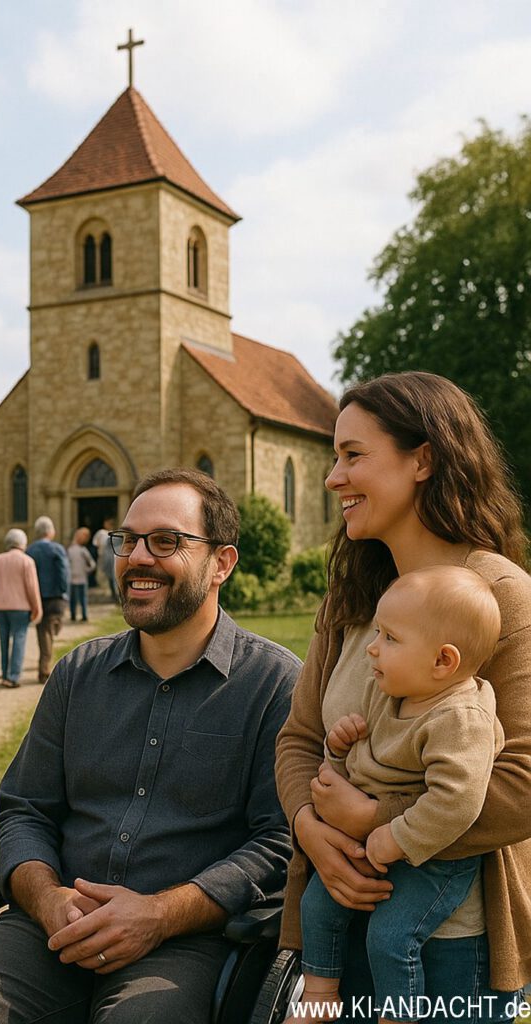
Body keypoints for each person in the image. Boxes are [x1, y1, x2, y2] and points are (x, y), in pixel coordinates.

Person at [0, 468, 300, 1023]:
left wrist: (160, 914)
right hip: (53, 928)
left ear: (222, 563)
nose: (138, 556)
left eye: (165, 541)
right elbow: (24, 809)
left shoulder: (273, 684)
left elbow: (277, 843)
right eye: (128, 540)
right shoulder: (79, 674)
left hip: (188, 941)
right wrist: (48, 900)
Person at [276, 371, 531, 1023]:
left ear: (423, 459)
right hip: (336, 934)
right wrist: (313, 828)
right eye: (335, 457)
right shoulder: (351, 595)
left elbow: (523, 783)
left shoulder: (499, 597)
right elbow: (299, 739)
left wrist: (372, 822)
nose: (334, 477)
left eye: (353, 455)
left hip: (450, 948)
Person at [292, 566, 504, 1024]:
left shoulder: (459, 717)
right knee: (318, 903)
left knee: (391, 938)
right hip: (381, 842)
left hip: (437, 855)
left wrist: (394, 837)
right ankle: (319, 998)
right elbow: (361, 757)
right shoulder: (389, 690)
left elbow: (458, 802)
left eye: (389, 638)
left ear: (442, 661)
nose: (373, 646)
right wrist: (339, 745)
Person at [0, 529, 43, 688]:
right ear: (23, 543)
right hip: (20, 607)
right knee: (19, 640)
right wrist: (37, 608)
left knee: (3, 641)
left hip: (0, 606)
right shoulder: (27, 561)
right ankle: (13, 676)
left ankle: (4, 675)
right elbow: (32, 588)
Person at [26, 515, 70, 683]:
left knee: (44, 631)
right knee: (50, 629)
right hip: (56, 596)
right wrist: (63, 590)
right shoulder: (57, 549)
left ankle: (45, 665)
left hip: (37, 597)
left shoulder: (30, 550)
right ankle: (44, 670)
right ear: (50, 532)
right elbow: (63, 572)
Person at [67, 526, 96, 622]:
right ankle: (73, 615)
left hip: (82, 579)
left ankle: (84, 615)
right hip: (72, 579)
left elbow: (92, 564)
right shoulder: (70, 550)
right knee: (73, 599)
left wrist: (86, 570)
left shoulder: (83, 551)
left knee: (82, 599)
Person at [94, 516, 119, 602]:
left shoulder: (114, 534)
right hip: (103, 557)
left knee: (113, 576)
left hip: (112, 557)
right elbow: (96, 544)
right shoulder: (101, 533)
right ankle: (107, 592)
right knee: (102, 575)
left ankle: (113, 595)